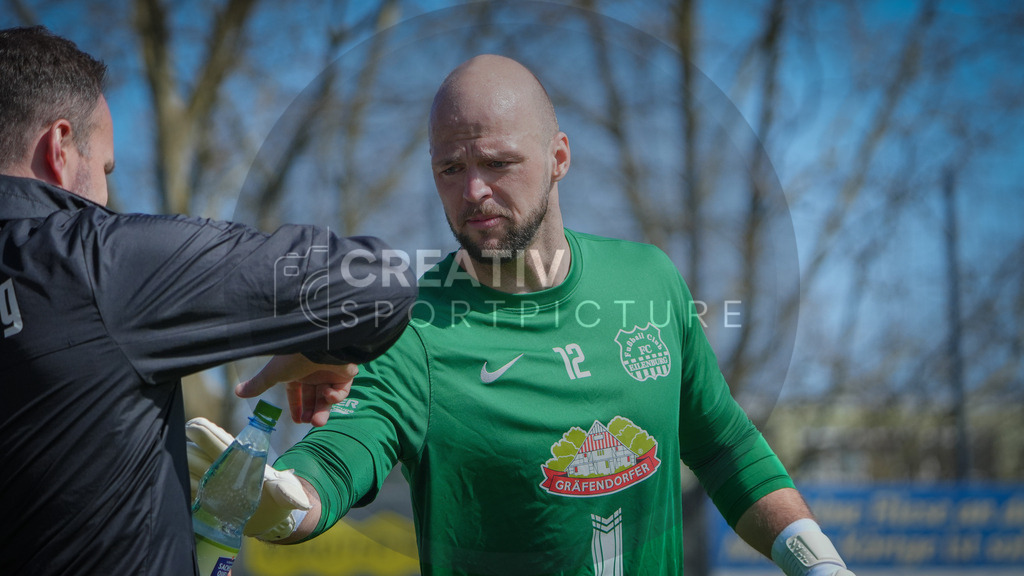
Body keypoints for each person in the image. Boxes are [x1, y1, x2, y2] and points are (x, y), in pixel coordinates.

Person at [191, 54, 855, 575]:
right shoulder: (411, 328)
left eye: (497, 163)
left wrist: (816, 560)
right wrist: (286, 501)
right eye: (450, 168)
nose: (474, 190)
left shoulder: (649, 281)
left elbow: (725, 448)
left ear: (559, 157)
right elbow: (344, 453)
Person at [0, 26, 417, 575]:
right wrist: (324, 346)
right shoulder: (94, 261)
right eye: (104, 169)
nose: (105, 195)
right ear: (59, 147)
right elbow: (379, 282)